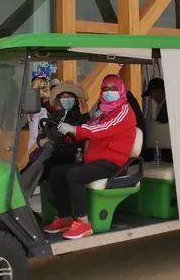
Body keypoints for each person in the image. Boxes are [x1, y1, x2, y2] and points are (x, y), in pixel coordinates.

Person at [44, 74, 137, 240]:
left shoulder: (123, 110)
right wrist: (68, 134)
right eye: (106, 89)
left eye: (113, 89)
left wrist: (75, 129)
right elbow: (89, 128)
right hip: (94, 161)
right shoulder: (102, 112)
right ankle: (65, 217)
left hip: (113, 163)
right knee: (56, 172)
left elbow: (102, 130)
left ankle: (83, 223)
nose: (109, 92)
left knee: (75, 175)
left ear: (121, 90)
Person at [26, 81, 89, 180]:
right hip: (53, 152)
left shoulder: (81, 116)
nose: (66, 99)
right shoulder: (57, 115)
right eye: (63, 97)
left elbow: (83, 133)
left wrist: (84, 115)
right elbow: (44, 132)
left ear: (75, 99)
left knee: (44, 167)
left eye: (69, 96)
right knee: (29, 168)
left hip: (69, 154)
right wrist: (41, 141)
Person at [142, 78, 172, 163]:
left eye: (152, 93)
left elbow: (163, 125)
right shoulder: (161, 106)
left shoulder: (167, 106)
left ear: (160, 91)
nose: (151, 97)